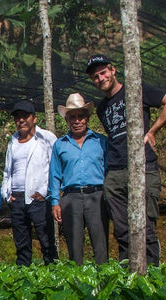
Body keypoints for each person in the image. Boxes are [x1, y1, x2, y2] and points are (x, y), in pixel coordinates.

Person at [87, 54, 166, 266]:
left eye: (103, 72)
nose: (100, 78)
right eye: (95, 77)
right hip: (115, 172)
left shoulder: (136, 90)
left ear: (113, 70)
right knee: (122, 229)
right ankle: (128, 275)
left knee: (145, 226)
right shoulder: (102, 108)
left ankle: (151, 277)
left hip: (142, 166)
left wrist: (153, 131)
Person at [49, 93, 109, 265]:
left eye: (80, 116)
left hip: (97, 195)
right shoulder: (60, 145)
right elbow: (54, 175)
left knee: (100, 242)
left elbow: (108, 170)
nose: (77, 121)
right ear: (67, 120)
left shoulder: (100, 141)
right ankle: (77, 281)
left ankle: (104, 280)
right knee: (74, 243)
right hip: (71, 197)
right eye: (72, 117)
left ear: (87, 118)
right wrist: (55, 202)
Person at [1, 100, 57, 266]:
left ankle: (53, 275)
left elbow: (55, 167)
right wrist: (6, 194)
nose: (21, 120)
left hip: (38, 198)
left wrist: (45, 192)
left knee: (46, 240)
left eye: (25, 116)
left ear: (34, 118)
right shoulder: (13, 142)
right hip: (16, 199)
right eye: (17, 118)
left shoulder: (46, 138)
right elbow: (7, 171)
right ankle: (23, 278)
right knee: (21, 242)